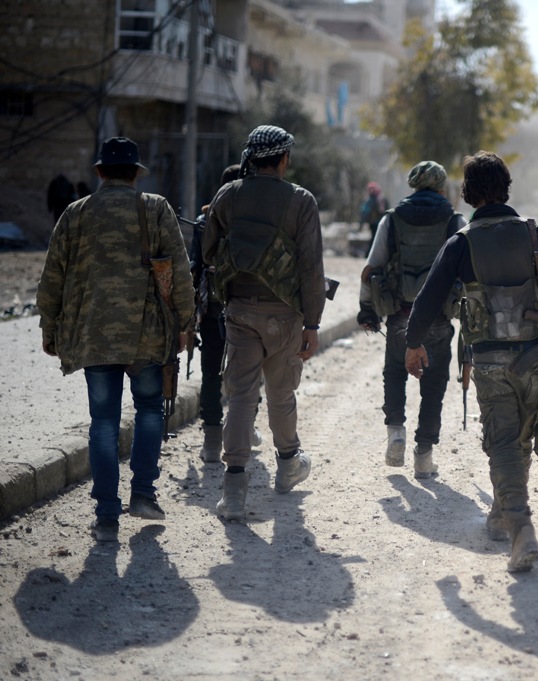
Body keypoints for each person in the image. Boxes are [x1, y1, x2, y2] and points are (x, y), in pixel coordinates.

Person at [404, 150, 538, 573]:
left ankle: (521, 528)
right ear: (506, 188)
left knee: (502, 440)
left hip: (491, 361)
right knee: (519, 437)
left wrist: (412, 343)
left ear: (466, 193)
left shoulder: (461, 243)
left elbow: (428, 299)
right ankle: (502, 512)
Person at [37, 136, 195, 542]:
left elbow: (52, 277)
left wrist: (49, 328)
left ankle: (107, 515)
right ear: (136, 174)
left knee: (103, 422)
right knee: (147, 411)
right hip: (146, 335)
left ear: (100, 172)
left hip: (92, 336)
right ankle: (142, 494)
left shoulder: (74, 214)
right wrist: (184, 325)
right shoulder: (155, 208)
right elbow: (178, 272)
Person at [203, 125, 326, 521]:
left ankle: (233, 492)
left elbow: (208, 250)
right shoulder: (300, 200)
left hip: (239, 310)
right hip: (285, 315)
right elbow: (311, 266)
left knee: (240, 397)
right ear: (284, 159)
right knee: (280, 392)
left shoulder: (228, 194)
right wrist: (313, 323)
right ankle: (288, 463)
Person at [357, 161, 465, 478]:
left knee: (394, 372)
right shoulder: (454, 220)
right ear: (442, 187)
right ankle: (424, 455)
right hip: (440, 318)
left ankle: (396, 434)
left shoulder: (392, 219)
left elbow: (372, 267)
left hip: (400, 314)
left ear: (414, 186)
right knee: (434, 385)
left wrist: (366, 308)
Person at [188, 164, 263, 463]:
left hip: (212, 308)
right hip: (246, 306)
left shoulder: (205, 221)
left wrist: (189, 311)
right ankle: (244, 429)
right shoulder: (255, 222)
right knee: (250, 372)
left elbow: (195, 268)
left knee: (210, 372)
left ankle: (211, 441)